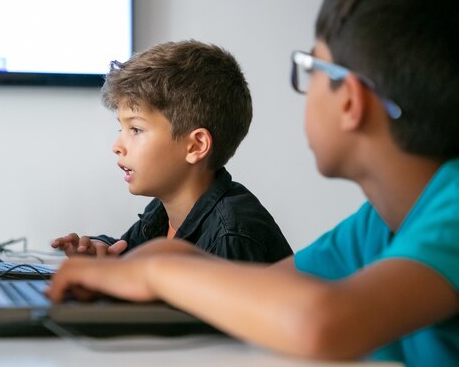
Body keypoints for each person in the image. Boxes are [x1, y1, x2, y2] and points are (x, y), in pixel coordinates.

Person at [46, 0, 459, 366]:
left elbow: (321, 321)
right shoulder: (378, 225)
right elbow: (272, 288)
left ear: (350, 99)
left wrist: (152, 272)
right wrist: (135, 265)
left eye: (311, 68)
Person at [51, 40, 292, 262]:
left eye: (135, 129)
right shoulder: (163, 211)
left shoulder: (231, 235)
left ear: (196, 146)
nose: (117, 146)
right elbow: (129, 254)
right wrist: (100, 251)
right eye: (120, 128)